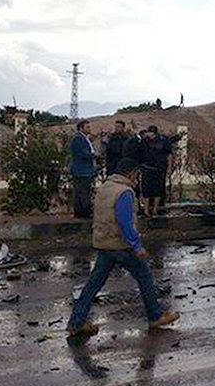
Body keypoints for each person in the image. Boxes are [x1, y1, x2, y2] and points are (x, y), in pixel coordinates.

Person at [67, 157, 180, 336]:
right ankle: (155, 315)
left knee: (93, 285)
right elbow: (125, 222)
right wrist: (137, 246)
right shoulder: (124, 192)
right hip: (121, 245)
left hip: (103, 243)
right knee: (145, 277)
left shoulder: (104, 187)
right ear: (131, 173)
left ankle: (76, 322)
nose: (137, 178)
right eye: (136, 174)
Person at [140, 125, 173, 217]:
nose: (150, 134)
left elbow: (168, 154)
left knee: (158, 189)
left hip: (159, 168)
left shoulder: (163, 141)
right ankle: (146, 210)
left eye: (151, 133)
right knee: (146, 190)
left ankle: (155, 209)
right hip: (147, 168)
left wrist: (169, 167)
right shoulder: (144, 141)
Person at [70, 119, 96, 218]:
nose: (89, 128)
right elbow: (82, 153)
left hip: (83, 169)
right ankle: (84, 212)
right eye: (87, 127)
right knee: (84, 192)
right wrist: (94, 155)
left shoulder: (84, 138)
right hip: (82, 170)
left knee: (80, 192)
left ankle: (80, 212)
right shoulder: (78, 138)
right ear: (81, 128)